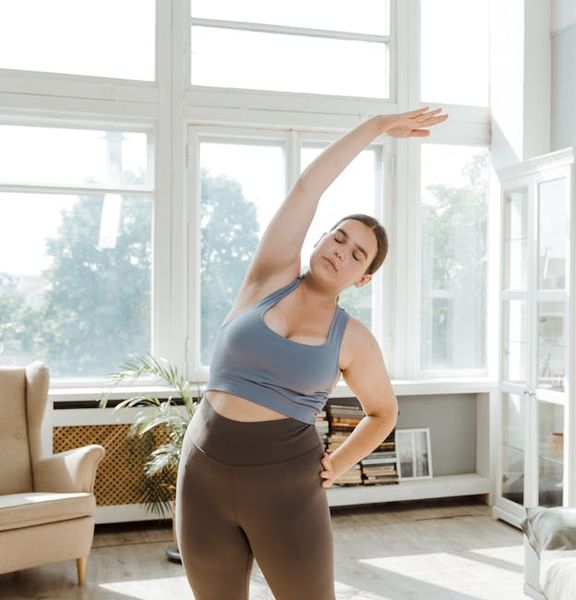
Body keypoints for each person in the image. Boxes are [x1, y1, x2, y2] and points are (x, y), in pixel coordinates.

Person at [175, 106, 449, 600]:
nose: (341, 250)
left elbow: (383, 412)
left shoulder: (355, 339)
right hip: (202, 481)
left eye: (357, 253)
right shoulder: (269, 277)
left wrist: (338, 464)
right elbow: (308, 187)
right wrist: (376, 128)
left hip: (287, 493)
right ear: (320, 237)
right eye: (338, 236)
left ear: (363, 278)